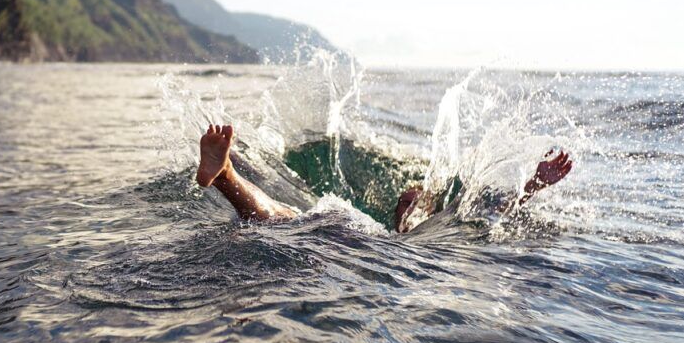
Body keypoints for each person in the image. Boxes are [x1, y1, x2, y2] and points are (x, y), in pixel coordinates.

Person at [196, 124, 573, 233]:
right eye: (402, 200)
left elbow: (490, 209)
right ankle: (225, 174)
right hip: (347, 231)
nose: (404, 202)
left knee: (285, 220)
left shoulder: (444, 225)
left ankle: (227, 174)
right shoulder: (372, 226)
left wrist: (533, 185)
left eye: (412, 202)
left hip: (365, 257)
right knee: (287, 217)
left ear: (425, 212)